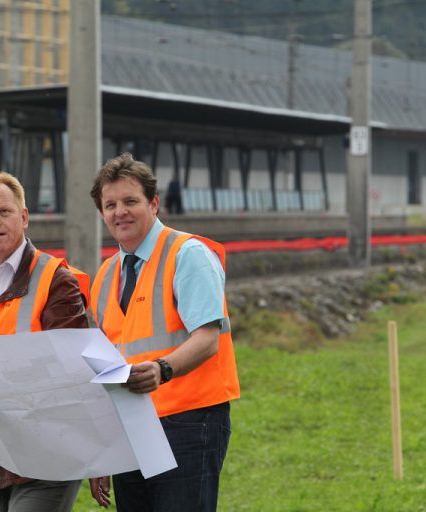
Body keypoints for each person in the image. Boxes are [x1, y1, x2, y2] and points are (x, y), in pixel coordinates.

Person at [87, 153, 240, 512]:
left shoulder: (188, 255)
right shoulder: (106, 275)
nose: (119, 212)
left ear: (154, 204)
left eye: (130, 201)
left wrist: (162, 369)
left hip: (189, 422)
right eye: (110, 205)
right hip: (132, 428)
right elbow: (105, 367)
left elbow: (207, 338)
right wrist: (103, 452)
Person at [0, 171, 90, 512]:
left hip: (49, 454)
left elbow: (77, 368)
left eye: (4, 212)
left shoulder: (55, 279)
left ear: (23, 217)